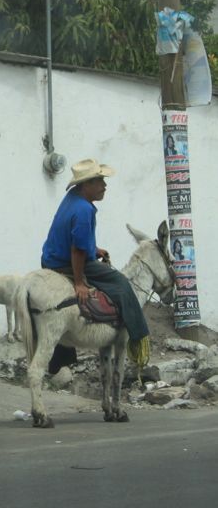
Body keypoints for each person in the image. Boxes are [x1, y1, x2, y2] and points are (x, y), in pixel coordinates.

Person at [41, 159, 149, 371]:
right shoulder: (84, 210)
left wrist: (94, 248)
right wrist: (79, 282)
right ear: (86, 184)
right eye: (100, 181)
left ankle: (62, 359)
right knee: (120, 283)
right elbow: (77, 250)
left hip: (50, 259)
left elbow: (75, 237)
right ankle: (138, 336)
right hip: (65, 263)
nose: (104, 186)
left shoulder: (73, 198)